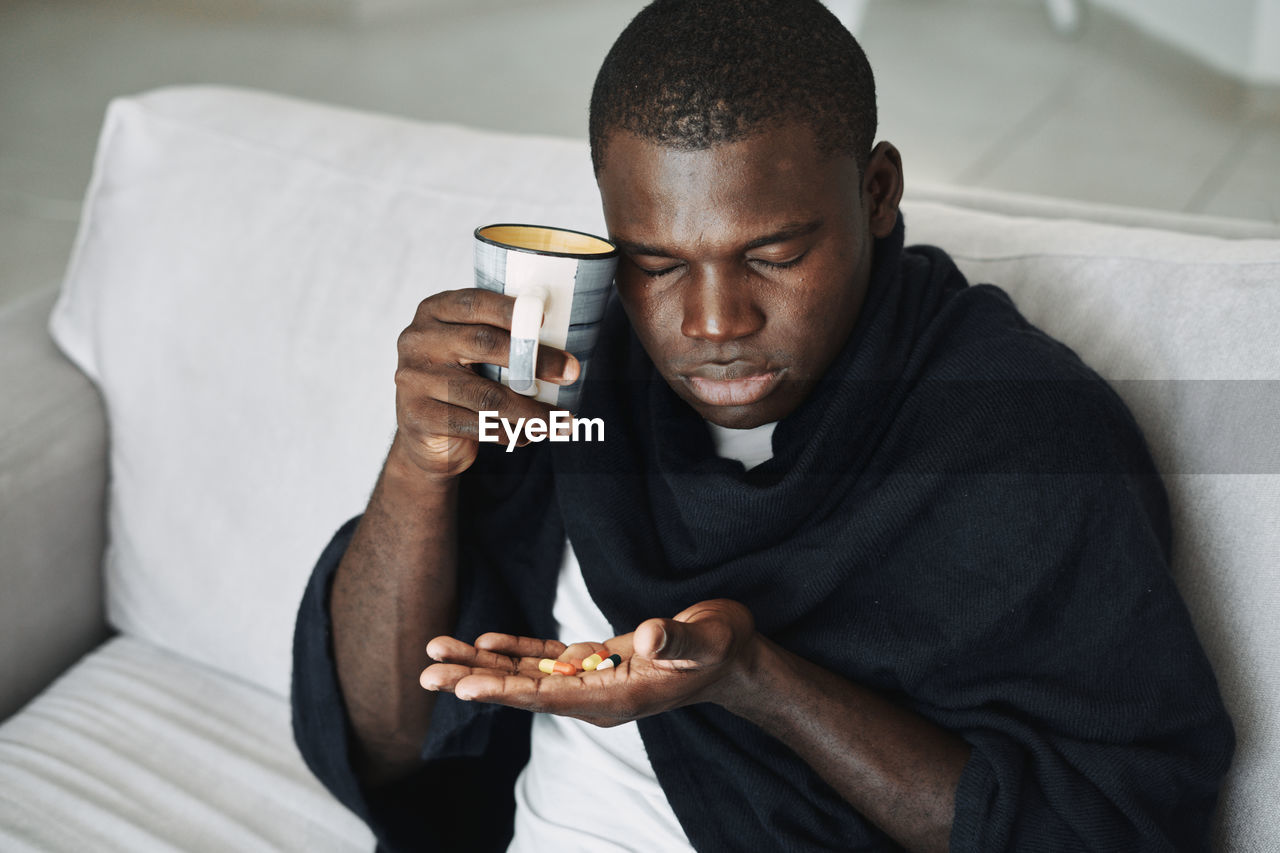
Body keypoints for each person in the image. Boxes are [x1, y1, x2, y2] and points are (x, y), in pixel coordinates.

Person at [292, 1, 1234, 850]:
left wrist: (753, 678)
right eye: (658, 264)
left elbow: (1112, 825)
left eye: (773, 254)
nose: (712, 324)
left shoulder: (1018, 435)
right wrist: (420, 462)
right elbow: (390, 737)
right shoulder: (582, 381)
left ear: (875, 193)